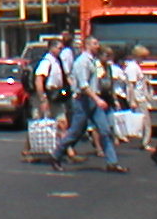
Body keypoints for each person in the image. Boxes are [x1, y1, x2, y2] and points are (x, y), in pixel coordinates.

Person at [50, 35, 126, 173]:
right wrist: (97, 99)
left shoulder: (93, 61)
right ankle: (56, 155)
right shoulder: (82, 62)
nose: (98, 46)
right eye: (95, 43)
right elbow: (83, 85)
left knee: (105, 131)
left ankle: (112, 162)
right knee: (75, 132)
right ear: (87, 45)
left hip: (94, 100)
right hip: (83, 101)